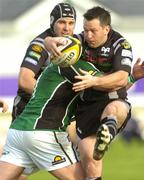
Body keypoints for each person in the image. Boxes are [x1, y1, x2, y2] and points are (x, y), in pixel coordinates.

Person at [44, 6, 144, 180]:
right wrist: (49, 42)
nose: (88, 35)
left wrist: (95, 81)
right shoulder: (79, 42)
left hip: (112, 100)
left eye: (93, 31)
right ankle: (103, 137)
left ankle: (107, 129)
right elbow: (54, 42)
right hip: (86, 108)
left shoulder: (120, 44)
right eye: (85, 30)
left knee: (115, 108)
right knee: (89, 155)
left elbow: (122, 78)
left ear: (106, 29)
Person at [6, 2, 78, 180]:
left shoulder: (75, 44)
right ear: (52, 22)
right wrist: (50, 100)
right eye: (62, 22)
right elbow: (25, 79)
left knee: (20, 171)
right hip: (28, 112)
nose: (67, 28)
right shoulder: (40, 45)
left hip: (50, 117)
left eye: (71, 23)